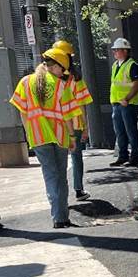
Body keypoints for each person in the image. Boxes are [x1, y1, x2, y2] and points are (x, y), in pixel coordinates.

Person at [10, 46, 78, 229]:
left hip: (38, 137)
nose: (62, 73)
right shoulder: (60, 85)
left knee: (50, 176)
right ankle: (62, 217)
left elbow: (22, 112)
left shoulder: (25, 82)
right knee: (61, 177)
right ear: (55, 66)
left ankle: (58, 217)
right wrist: (72, 137)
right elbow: (68, 115)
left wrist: (28, 133)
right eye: (61, 69)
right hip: (60, 136)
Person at [53, 39, 93, 200]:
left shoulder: (50, 80)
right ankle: (78, 190)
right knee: (76, 157)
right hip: (75, 123)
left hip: (55, 125)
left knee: (58, 161)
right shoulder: (77, 79)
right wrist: (85, 128)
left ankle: (59, 195)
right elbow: (82, 105)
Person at [109, 37, 138, 168]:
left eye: (116, 50)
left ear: (125, 51)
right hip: (117, 103)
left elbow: (137, 85)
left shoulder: (132, 65)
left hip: (128, 104)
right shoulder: (115, 65)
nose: (114, 52)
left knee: (131, 130)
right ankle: (123, 156)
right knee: (120, 131)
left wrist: (127, 99)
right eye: (114, 50)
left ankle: (135, 158)